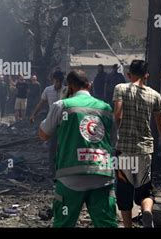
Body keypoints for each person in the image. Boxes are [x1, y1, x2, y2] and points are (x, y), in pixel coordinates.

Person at [38, 70, 117, 228]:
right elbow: (113, 141)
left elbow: (44, 135)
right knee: (107, 223)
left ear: (70, 87)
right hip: (101, 174)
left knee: (64, 223)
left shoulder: (62, 105)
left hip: (70, 177)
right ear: (89, 85)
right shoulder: (106, 108)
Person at [113, 60, 161, 228]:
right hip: (145, 151)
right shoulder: (155, 95)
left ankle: (128, 226)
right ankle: (147, 211)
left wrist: (119, 131)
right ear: (147, 75)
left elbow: (117, 116)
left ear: (128, 74)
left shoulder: (121, 89)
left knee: (124, 192)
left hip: (124, 150)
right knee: (145, 190)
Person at [30, 70, 65, 175]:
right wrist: (33, 115)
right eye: (56, 81)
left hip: (64, 122)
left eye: (59, 81)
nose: (57, 84)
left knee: (63, 146)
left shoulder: (67, 90)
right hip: (52, 122)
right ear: (53, 80)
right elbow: (41, 103)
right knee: (52, 146)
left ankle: (62, 168)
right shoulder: (48, 90)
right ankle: (53, 170)